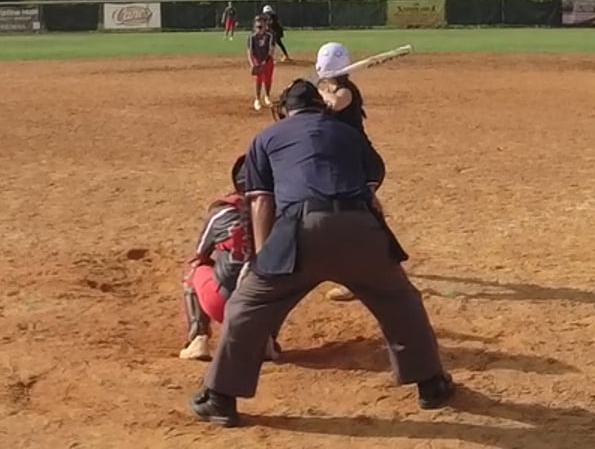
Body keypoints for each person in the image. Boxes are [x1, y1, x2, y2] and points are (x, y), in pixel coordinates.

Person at [188, 79, 451, 427]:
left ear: (284, 110)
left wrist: (261, 259)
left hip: (300, 231)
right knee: (400, 301)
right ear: (320, 106)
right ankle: (431, 385)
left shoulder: (267, 137)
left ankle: (220, 398)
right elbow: (372, 184)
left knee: (247, 306)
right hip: (360, 228)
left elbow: (261, 201)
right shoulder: (349, 134)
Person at [179, 154, 280, 363]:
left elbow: (201, 254)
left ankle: (198, 339)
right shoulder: (281, 212)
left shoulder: (221, 212)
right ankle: (266, 340)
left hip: (223, 305)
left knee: (196, 269)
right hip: (262, 309)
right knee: (283, 277)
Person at [313, 41, 388, 303]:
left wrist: (314, 92)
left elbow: (333, 104)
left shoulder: (346, 92)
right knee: (364, 216)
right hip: (346, 165)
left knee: (354, 220)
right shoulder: (325, 88)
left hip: (363, 165)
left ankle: (361, 277)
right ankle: (381, 259)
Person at [247, 15, 277, 113]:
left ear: (265, 25)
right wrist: (253, 64)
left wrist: (265, 62)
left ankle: (267, 96)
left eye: (262, 24)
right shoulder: (252, 37)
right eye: (258, 24)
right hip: (257, 59)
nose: (260, 26)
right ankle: (257, 99)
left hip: (267, 59)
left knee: (268, 78)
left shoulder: (270, 35)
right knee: (259, 78)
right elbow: (250, 52)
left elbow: (271, 50)